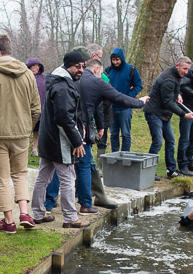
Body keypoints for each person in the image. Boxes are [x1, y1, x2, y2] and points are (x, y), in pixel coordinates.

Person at [45, 55, 148, 212]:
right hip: (81, 130)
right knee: (84, 165)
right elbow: (118, 98)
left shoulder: (70, 78)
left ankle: (49, 202)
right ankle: (85, 204)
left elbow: (96, 105)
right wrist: (140, 102)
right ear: (96, 69)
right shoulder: (96, 82)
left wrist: (100, 125)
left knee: (62, 164)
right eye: (101, 74)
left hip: (64, 128)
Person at [0, 33, 41, 234]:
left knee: (1, 178)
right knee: (20, 174)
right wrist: (27, 127)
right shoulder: (27, 74)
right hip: (21, 134)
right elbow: (36, 108)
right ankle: (24, 213)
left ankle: (8, 221)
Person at [30, 50, 87, 229]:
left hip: (48, 139)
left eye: (83, 66)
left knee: (43, 177)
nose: (81, 70)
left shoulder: (55, 80)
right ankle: (70, 218)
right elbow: (64, 118)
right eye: (77, 66)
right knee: (68, 178)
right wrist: (77, 141)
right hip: (60, 141)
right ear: (67, 66)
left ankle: (38, 213)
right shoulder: (63, 86)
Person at [143, 56, 193, 179]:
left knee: (171, 140)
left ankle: (171, 170)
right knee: (157, 141)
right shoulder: (169, 79)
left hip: (163, 114)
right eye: (184, 68)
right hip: (154, 112)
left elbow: (171, 92)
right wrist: (184, 114)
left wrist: (177, 94)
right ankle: (148, 171)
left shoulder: (175, 75)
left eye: (188, 69)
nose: (186, 72)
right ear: (177, 65)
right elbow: (168, 102)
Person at [105, 47, 142, 152]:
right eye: (113, 60)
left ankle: (125, 155)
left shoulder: (131, 69)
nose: (115, 62)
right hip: (112, 107)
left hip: (125, 107)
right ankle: (115, 155)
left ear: (121, 59)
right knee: (113, 134)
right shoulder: (108, 71)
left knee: (126, 133)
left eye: (117, 59)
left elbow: (138, 85)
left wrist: (129, 97)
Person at [26, 57, 46, 155]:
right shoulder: (24, 76)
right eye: (34, 65)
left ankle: (35, 149)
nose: (36, 68)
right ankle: (23, 148)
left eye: (38, 65)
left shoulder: (43, 78)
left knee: (38, 130)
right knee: (26, 129)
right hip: (27, 109)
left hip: (41, 108)